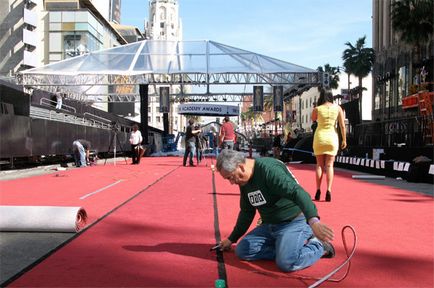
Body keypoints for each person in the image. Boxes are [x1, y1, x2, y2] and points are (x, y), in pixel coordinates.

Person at [215, 149, 335, 272]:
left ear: (240, 167)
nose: (231, 183)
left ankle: (318, 245)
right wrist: (231, 239)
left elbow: (298, 193)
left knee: (287, 263)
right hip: (270, 225)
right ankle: (285, 249)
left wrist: (313, 221)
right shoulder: (243, 181)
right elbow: (247, 212)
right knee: (243, 250)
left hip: (294, 221)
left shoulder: (269, 170)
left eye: (230, 177)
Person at [311, 90, 347, 202]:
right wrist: (344, 140)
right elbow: (342, 126)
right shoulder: (338, 108)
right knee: (330, 165)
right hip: (332, 137)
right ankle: (329, 190)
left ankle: (317, 190)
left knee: (319, 165)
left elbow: (313, 119)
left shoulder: (317, 108)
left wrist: (316, 108)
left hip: (320, 137)